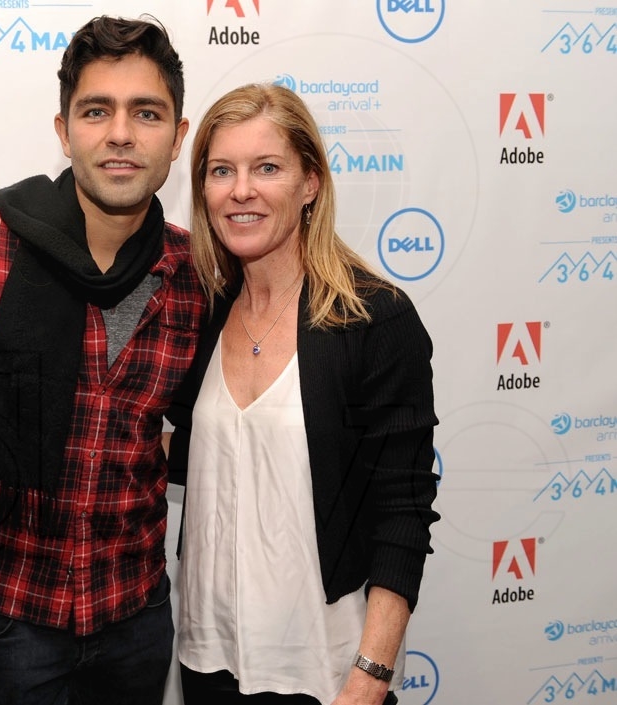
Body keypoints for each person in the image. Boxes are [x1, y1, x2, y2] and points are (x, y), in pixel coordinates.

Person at [0, 15, 206, 705]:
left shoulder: (195, 276)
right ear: (64, 131)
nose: (120, 133)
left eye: (146, 113)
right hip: (10, 617)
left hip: (137, 619)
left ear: (177, 139)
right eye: (97, 111)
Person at [166, 83, 440, 705]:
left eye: (267, 168)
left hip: (326, 673)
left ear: (310, 183)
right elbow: (190, 452)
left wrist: (370, 678)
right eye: (221, 171)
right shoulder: (203, 314)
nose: (241, 191)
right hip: (209, 660)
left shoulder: (375, 320)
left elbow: (403, 510)